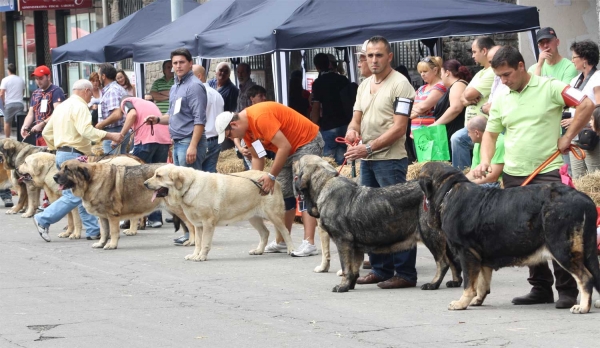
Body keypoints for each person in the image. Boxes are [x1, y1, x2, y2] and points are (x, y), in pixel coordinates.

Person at [472, 45, 594, 309]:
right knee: (523, 232)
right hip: (514, 176)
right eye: (499, 77)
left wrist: (568, 136)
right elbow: (491, 135)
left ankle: (568, 291)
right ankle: (540, 289)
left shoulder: (551, 87)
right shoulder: (502, 97)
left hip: (546, 173)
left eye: (507, 75)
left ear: (520, 66)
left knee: (556, 232)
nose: (503, 81)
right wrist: (485, 161)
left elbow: (587, 103)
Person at [345, 36, 418, 289]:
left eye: (378, 55)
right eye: (369, 55)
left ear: (390, 57)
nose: (373, 60)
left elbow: (399, 129)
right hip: (368, 158)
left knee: (397, 216)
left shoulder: (401, 85)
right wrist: (353, 131)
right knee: (370, 217)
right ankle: (380, 269)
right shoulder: (364, 84)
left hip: (391, 160)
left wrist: (368, 147)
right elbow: (356, 119)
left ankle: (406, 273)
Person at [214, 102, 324, 257]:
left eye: (229, 135)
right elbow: (258, 156)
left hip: (305, 142)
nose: (232, 139)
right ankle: (282, 241)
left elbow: (284, 146)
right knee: (284, 192)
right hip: (287, 149)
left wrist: (271, 176)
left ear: (234, 124)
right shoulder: (246, 131)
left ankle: (309, 243)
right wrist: (251, 183)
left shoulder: (260, 118)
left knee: (303, 190)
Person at [32, 79, 124, 242]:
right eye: (92, 93)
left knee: (80, 193)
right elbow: (86, 131)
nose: (92, 98)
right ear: (87, 91)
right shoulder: (81, 106)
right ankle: (43, 218)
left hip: (62, 153)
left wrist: (58, 147)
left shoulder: (62, 107)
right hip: (75, 155)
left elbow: (46, 131)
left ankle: (93, 230)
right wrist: (111, 135)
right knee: (74, 196)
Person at [145, 48, 207, 246]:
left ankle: (199, 235)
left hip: (189, 142)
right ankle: (190, 233)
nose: (178, 66)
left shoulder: (194, 86)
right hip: (178, 142)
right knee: (181, 193)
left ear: (190, 63)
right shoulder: (175, 87)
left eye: (181, 62)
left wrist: (193, 146)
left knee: (192, 192)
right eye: (175, 63)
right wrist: (157, 119)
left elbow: (199, 120)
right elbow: (172, 116)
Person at [529, 28, 579, 173]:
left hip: (561, 123)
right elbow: (531, 93)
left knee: (566, 169)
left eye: (548, 41)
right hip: (541, 127)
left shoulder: (568, 66)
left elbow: (564, 98)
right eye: (541, 43)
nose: (545, 46)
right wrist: (539, 64)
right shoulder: (534, 68)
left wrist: (540, 95)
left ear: (557, 42)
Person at [119, 96, 171, 228]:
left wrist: (121, 135)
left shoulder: (125, 102)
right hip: (163, 141)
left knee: (134, 182)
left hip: (146, 141)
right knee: (158, 180)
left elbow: (132, 114)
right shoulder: (146, 103)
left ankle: (133, 220)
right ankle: (155, 218)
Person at [451, 36, 496, 170]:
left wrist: (467, 96)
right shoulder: (480, 73)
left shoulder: (493, 72)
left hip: (484, 125)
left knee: (458, 139)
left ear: (484, 51)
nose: (472, 56)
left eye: (474, 51)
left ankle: (461, 180)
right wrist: (466, 97)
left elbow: (468, 94)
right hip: (473, 126)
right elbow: (463, 97)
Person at [561, 40, 600, 179]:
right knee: (578, 179)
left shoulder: (597, 77)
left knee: (594, 180)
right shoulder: (575, 80)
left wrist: (576, 120)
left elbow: (598, 109)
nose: (572, 61)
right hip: (575, 135)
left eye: (574, 57)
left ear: (585, 58)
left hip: (591, 135)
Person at [311, 52, 351, 165]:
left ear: (317, 67)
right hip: (345, 123)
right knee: (343, 155)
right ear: (329, 64)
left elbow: (316, 106)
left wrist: (314, 124)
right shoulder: (343, 79)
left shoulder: (318, 83)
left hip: (328, 124)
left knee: (328, 159)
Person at [431, 59, 472, 156]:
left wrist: (436, 124)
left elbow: (456, 108)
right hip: (449, 132)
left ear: (447, 73)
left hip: (455, 130)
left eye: (441, 73)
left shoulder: (458, 84)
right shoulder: (456, 85)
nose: (440, 77)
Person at [20, 65, 66, 147]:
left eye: (41, 78)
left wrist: (42, 124)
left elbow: (58, 112)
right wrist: (25, 126)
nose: (38, 81)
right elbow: (31, 113)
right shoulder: (35, 93)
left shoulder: (56, 91)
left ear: (48, 77)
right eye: (36, 79)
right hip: (38, 135)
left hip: (52, 135)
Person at [192, 64, 225, 173]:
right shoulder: (217, 94)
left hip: (201, 140)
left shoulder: (197, 94)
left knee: (196, 175)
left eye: (190, 76)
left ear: (199, 76)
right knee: (210, 175)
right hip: (215, 139)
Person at [94, 63, 129, 155]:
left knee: (113, 165)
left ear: (103, 76)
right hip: (119, 130)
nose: (98, 78)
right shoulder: (116, 88)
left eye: (99, 75)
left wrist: (101, 124)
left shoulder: (112, 90)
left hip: (114, 132)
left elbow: (117, 114)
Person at [464, 116, 504, 187]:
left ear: (477, 133)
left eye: (469, 132)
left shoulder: (501, 143)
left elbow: (493, 178)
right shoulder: (477, 144)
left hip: (497, 184)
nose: (468, 135)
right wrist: (460, 182)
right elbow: (473, 172)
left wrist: (467, 185)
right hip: (484, 181)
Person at [0, 63, 25, 139]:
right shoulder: (21, 80)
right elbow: (23, 92)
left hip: (9, 104)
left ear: (8, 71)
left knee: (7, 122)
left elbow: (1, 93)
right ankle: (20, 138)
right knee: (20, 122)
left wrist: (3, 102)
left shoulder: (5, 80)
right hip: (20, 103)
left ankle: (8, 139)